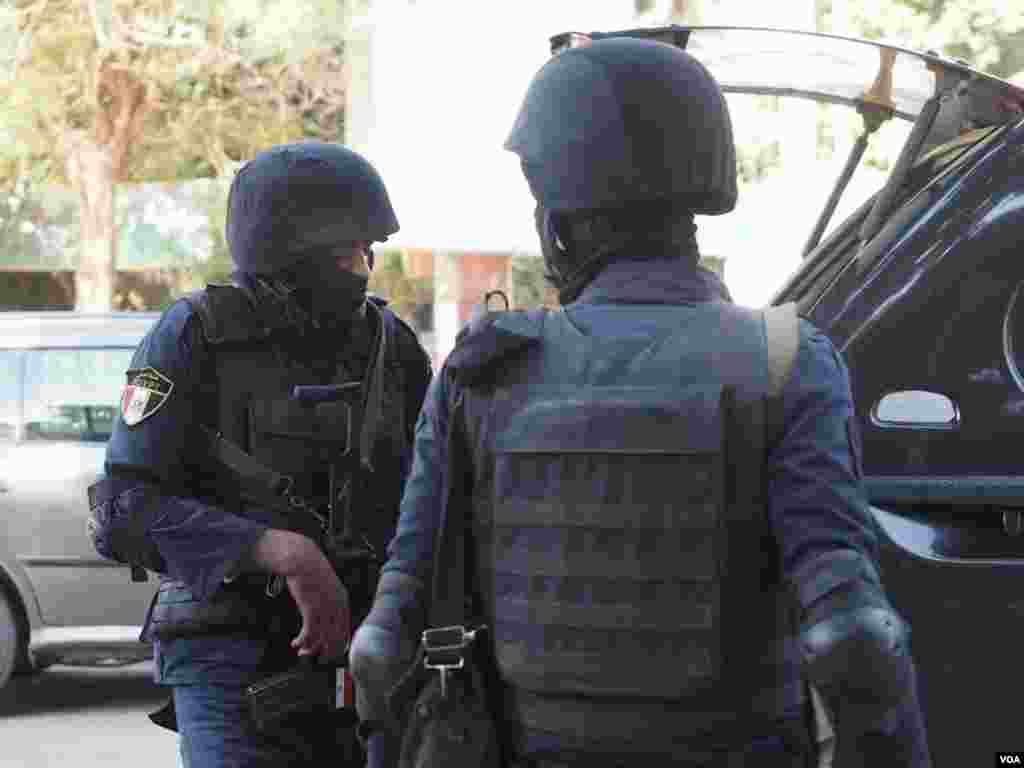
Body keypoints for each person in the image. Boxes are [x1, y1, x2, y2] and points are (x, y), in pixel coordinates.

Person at [349, 38, 932, 767]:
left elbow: (382, 645)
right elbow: (853, 636)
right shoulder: (786, 359)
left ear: (557, 221)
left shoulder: (485, 369)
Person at [89, 142, 432, 768]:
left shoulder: (390, 345)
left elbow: (432, 501)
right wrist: (282, 552)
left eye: (369, 250)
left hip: (364, 654)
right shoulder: (194, 334)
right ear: (289, 251)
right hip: (228, 653)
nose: (365, 266)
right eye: (349, 251)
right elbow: (121, 511)